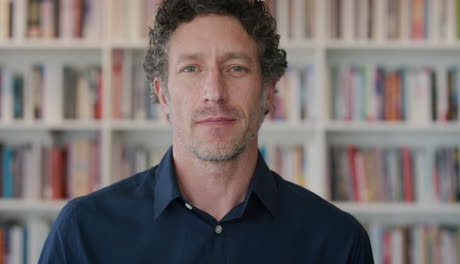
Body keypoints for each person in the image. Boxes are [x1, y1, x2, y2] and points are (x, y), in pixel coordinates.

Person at [39, 0, 374, 263]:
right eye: (191, 68)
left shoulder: (338, 240)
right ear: (162, 93)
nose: (214, 91)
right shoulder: (84, 231)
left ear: (269, 91)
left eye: (236, 68)